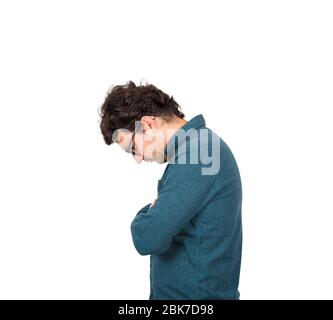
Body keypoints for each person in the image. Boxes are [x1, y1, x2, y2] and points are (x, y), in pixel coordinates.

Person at [98, 80, 243, 300]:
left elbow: (148, 237)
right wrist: (155, 211)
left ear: (147, 124)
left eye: (133, 148)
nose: (138, 159)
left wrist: (143, 217)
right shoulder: (199, 149)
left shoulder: (198, 155)